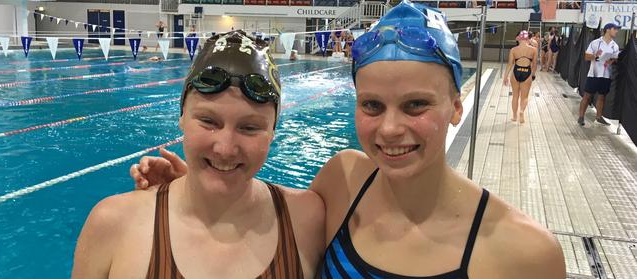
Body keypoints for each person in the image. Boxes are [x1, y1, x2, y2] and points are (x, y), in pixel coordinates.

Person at [131, 2, 566, 278]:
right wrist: (205, 181)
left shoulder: (524, 253)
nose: (390, 128)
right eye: (373, 106)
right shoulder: (344, 181)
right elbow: (263, 218)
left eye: (415, 105)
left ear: (456, 106)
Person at [72, 30, 325, 278]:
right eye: (208, 121)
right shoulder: (112, 224)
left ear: (272, 132)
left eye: (249, 127)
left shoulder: (307, 218)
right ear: (181, 117)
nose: (225, 148)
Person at [577, 23, 620, 126]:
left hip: (606, 75)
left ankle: (599, 117)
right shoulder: (595, 43)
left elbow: (616, 58)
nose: (616, 32)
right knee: (587, 95)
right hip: (594, 74)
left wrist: (612, 60)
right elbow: (586, 56)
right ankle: (581, 117)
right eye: (615, 29)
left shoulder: (615, 45)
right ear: (608, 30)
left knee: (602, 96)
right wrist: (595, 55)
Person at [503, 30, 538, 123]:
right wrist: (532, 74)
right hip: (527, 72)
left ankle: (514, 116)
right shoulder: (533, 50)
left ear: (519, 39)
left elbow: (510, 64)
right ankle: (521, 111)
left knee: (515, 96)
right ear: (527, 39)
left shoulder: (514, 50)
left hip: (516, 72)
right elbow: (534, 64)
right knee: (524, 97)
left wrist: (505, 76)